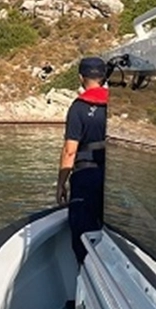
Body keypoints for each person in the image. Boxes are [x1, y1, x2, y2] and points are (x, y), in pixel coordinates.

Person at [56, 56, 108, 264]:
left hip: (86, 176)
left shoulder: (78, 107)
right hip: (111, 176)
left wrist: (61, 183)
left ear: (81, 77)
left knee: (82, 236)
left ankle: (85, 282)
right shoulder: (117, 104)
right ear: (103, 77)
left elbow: (70, 150)